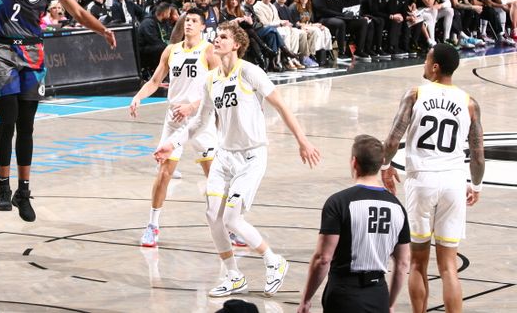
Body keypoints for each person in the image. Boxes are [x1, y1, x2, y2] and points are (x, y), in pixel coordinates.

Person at [154, 21, 321, 298]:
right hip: (224, 156)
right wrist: (173, 142)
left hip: (252, 155)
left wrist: (302, 140)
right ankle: (233, 275)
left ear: (237, 44)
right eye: (216, 36)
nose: (216, 40)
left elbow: (281, 106)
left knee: (231, 218)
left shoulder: (250, 72)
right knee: (212, 215)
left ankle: (274, 261)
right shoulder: (211, 79)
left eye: (222, 37)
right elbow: (199, 123)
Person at [0, 0, 116, 222]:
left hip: (32, 52)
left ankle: (23, 191)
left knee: (26, 126)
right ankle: (3, 187)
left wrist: (102, 30)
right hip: (1, 50)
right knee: (8, 121)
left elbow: (78, 13)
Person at [381, 44, 485, 313]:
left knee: (417, 262)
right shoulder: (469, 102)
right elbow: (478, 156)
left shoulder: (415, 94)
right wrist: (476, 185)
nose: (424, 65)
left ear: (436, 66)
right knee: (449, 267)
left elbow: (393, 139)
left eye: (427, 60)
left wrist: (385, 166)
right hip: (453, 181)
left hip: (422, 180)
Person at [130, 9, 220, 247]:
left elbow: (218, 87)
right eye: (186, 20)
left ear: (202, 27)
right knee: (163, 173)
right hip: (174, 119)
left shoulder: (209, 50)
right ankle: (152, 225)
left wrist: (193, 106)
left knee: (213, 176)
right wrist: (138, 97)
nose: (188, 24)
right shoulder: (172, 50)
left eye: (194, 21)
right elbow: (155, 81)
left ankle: (228, 227)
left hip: (200, 119)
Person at [296, 135, 410, 313]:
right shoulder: (397, 207)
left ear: (354, 162)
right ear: (381, 163)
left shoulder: (339, 202)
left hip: (344, 294)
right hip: (378, 293)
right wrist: (390, 303)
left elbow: (323, 258)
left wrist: (306, 299)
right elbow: (403, 264)